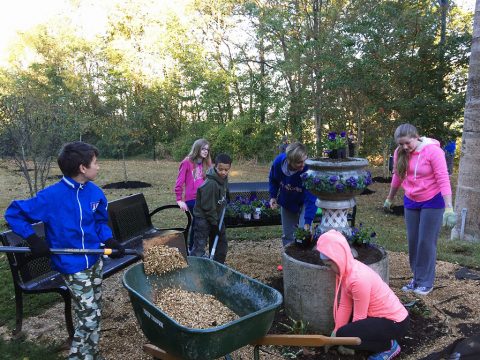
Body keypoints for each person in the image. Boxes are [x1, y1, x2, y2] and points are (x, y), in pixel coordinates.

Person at [4, 141, 125, 360]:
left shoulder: (95, 193)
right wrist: (32, 238)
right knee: (90, 316)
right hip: (71, 264)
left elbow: (99, 224)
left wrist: (110, 240)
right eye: (95, 163)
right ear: (82, 168)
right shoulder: (52, 197)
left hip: (94, 260)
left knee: (91, 310)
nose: (99, 167)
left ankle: (91, 353)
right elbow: (14, 213)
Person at [383, 123, 456, 296]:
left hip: (433, 200)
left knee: (426, 241)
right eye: (401, 144)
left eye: (408, 143)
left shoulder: (433, 152)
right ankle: (416, 278)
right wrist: (389, 198)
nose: (405, 147)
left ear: (416, 136)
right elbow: (397, 176)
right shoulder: (399, 152)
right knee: (414, 241)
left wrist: (449, 208)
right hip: (411, 200)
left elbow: (443, 179)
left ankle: (426, 282)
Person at [317, 229, 409, 360]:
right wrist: (335, 333)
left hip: (395, 323)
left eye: (328, 264)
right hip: (381, 319)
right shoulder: (346, 272)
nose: (328, 268)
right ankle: (377, 340)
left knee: (346, 333)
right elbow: (345, 305)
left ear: (337, 259)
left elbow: (360, 318)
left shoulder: (358, 279)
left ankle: (389, 346)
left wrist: (346, 343)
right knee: (342, 331)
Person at [268, 142, 317, 246]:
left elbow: (311, 197)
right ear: (289, 160)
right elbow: (273, 179)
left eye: (305, 160)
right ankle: (289, 261)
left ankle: (304, 259)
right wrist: (273, 196)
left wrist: (308, 221)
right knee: (288, 235)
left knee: (304, 234)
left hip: (305, 201)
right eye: (299, 162)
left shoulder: (308, 169)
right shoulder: (278, 163)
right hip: (287, 200)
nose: (303, 165)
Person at [190, 153, 232, 264]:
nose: (223, 172)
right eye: (220, 169)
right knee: (200, 245)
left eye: (226, 170)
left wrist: (226, 194)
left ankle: (217, 265)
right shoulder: (211, 183)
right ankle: (195, 266)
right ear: (215, 166)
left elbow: (223, 189)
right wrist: (214, 224)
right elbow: (207, 207)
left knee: (221, 243)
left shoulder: (223, 178)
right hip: (203, 218)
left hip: (217, 215)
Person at [174, 138, 212, 252]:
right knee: (199, 221)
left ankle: (195, 249)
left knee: (199, 222)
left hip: (204, 198)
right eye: (203, 149)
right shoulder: (187, 162)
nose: (206, 151)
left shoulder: (207, 163)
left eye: (207, 149)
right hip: (192, 199)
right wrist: (179, 199)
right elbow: (179, 181)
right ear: (197, 148)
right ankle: (193, 249)